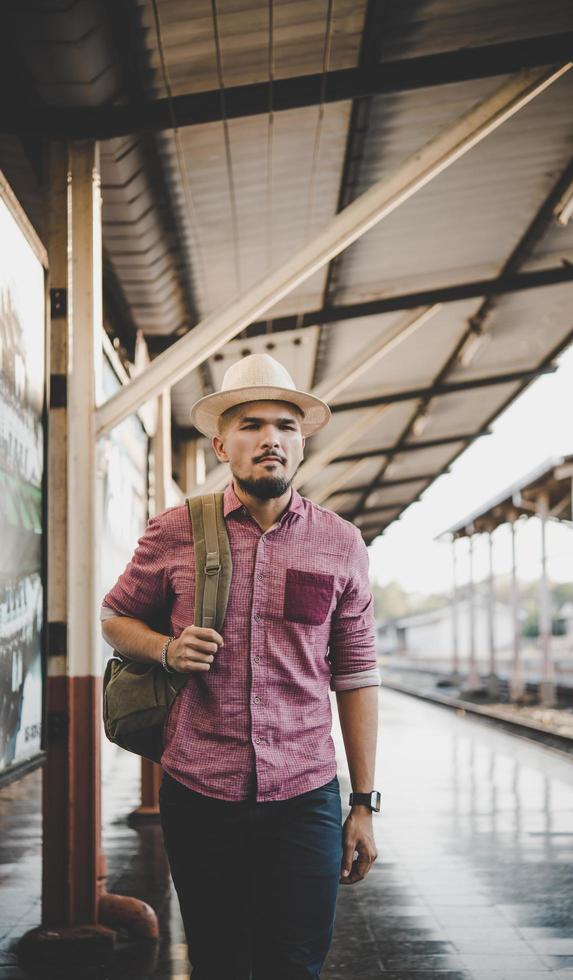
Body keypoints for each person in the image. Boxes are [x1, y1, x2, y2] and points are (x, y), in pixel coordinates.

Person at [101, 353, 381, 980]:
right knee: (218, 960)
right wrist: (167, 650)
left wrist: (362, 802)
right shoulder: (176, 530)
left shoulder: (340, 542)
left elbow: (357, 674)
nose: (270, 439)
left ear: (301, 443)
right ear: (221, 444)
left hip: (305, 793)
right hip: (200, 788)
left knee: (294, 965)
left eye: (285, 425)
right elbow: (115, 617)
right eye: (251, 425)